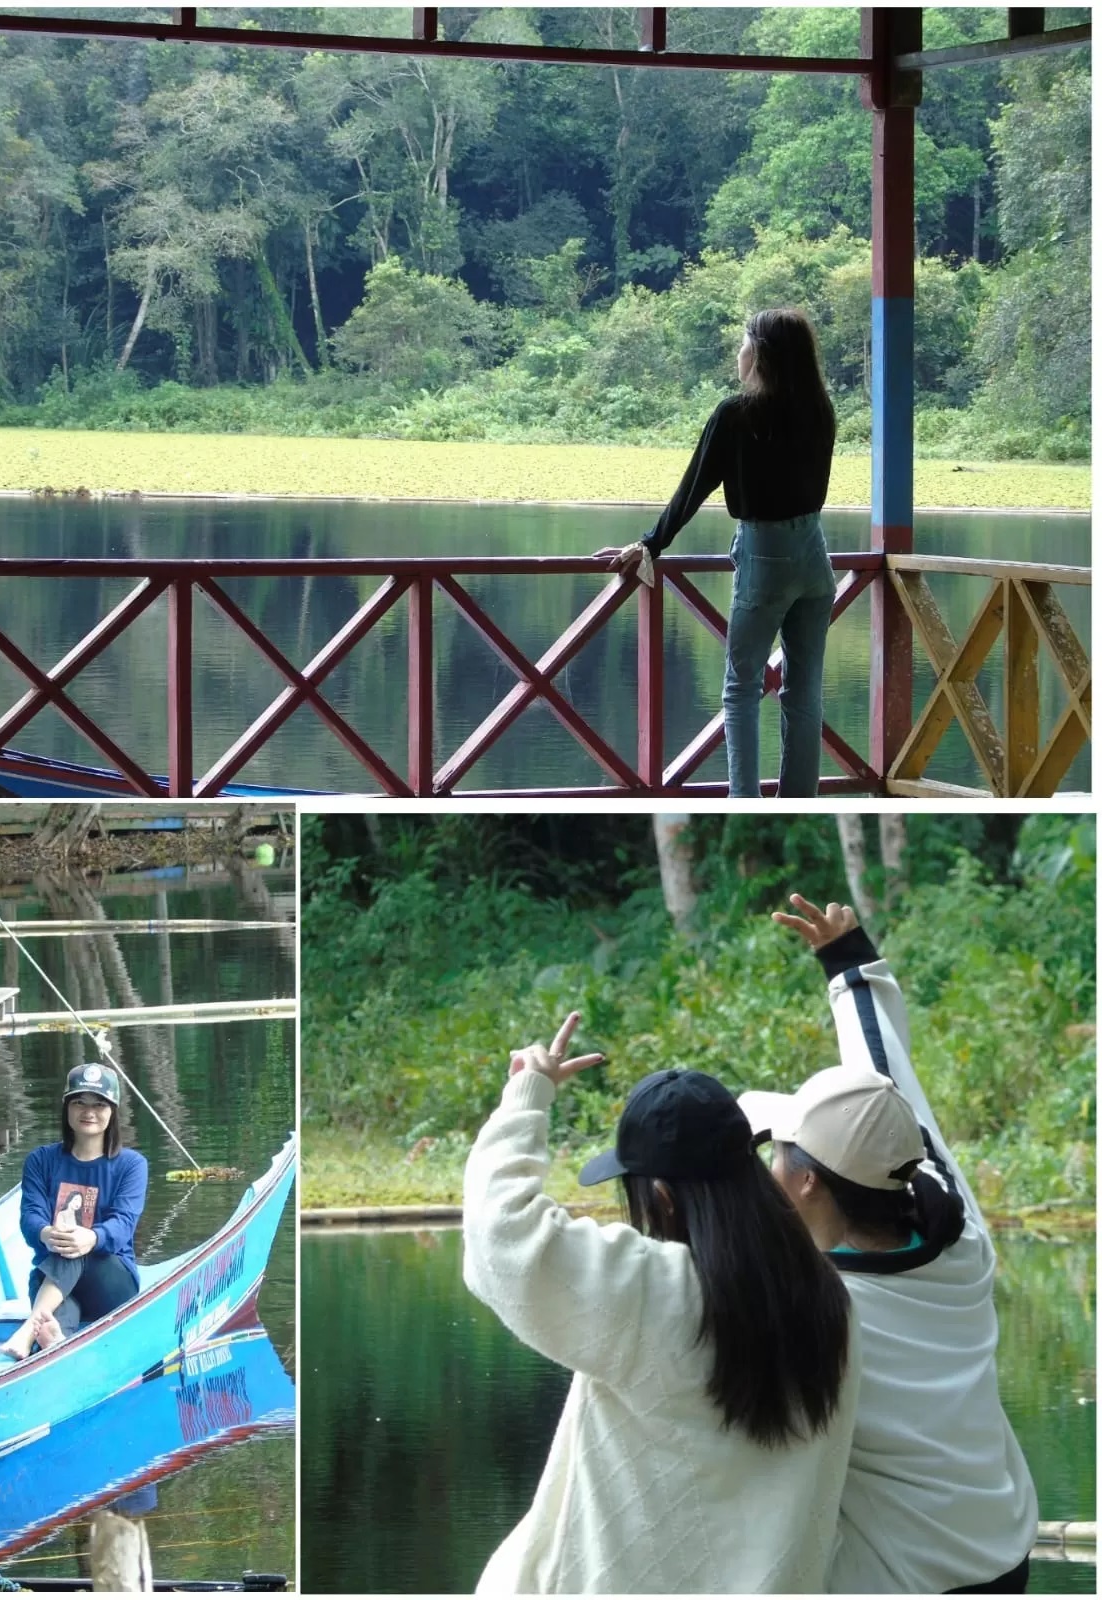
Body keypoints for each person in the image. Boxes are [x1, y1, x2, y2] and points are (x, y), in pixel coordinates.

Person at [462, 1010, 861, 1594]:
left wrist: (527, 1095)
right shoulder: (830, 1302)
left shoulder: (653, 1291)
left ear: (663, 1198)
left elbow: (501, 1240)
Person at [740, 895, 1038, 1595]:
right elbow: (892, 1092)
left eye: (775, 1152)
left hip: (913, 1578)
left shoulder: (818, 1308)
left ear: (807, 1182)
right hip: (1003, 1552)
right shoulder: (958, 1236)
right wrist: (850, 968)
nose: (767, 1167)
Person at [597, 308, 837, 797]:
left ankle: (744, 802)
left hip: (765, 557)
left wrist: (650, 543)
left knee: (741, 688)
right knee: (804, 691)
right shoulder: (820, 410)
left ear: (761, 354)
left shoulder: (737, 414)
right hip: (815, 556)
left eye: (743, 343)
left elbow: (694, 487)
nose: (738, 352)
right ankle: (799, 802)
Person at [0, 1062, 148, 1359]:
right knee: (57, 1308)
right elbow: (31, 1216)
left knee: (74, 1247)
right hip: (55, 1283)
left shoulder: (131, 1165)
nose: (88, 1111)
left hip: (112, 1283)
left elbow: (123, 1223)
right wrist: (46, 1233)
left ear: (112, 1111)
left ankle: (28, 1330)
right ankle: (55, 1342)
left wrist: (91, 1238)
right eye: (79, 1102)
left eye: (99, 1104)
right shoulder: (41, 1160)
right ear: (67, 1107)